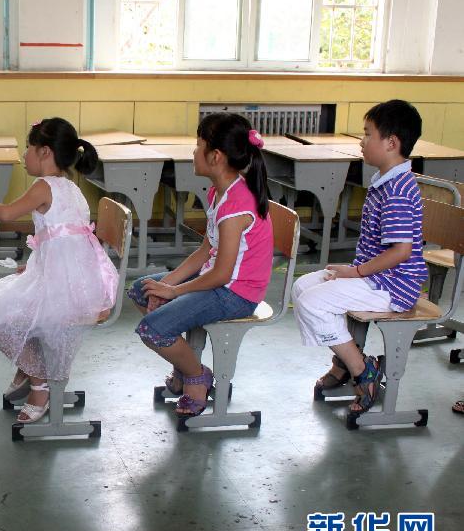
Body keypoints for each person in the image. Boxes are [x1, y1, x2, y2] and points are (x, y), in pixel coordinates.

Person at [0, 117, 118, 423]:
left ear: (44, 152)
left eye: (28, 147)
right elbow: (61, 241)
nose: (24, 154)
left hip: (65, 287)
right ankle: (29, 369)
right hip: (77, 279)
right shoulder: (70, 187)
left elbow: (6, 213)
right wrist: (33, 266)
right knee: (8, 300)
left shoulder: (44, 186)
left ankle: (40, 382)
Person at [128, 113, 273, 418]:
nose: (193, 153)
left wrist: (174, 291)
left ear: (216, 156)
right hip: (218, 279)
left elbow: (222, 273)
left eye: (198, 146)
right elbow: (206, 250)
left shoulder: (235, 207)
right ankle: (186, 365)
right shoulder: (219, 192)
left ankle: (196, 377)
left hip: (235, 293)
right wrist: (168, 284)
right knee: (141, 289)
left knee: (151, 330)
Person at [293, 100, 427, 414]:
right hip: (373, 277)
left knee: (313, 302)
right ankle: (344, 362)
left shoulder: (396, 190)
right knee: (302, 288)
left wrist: (356, 272)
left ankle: (362, 369)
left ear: (391, 143)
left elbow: (401, 251)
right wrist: (356, 271)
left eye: (368, 134)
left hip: (392, 287)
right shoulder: (386, 181)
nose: (361, 141)